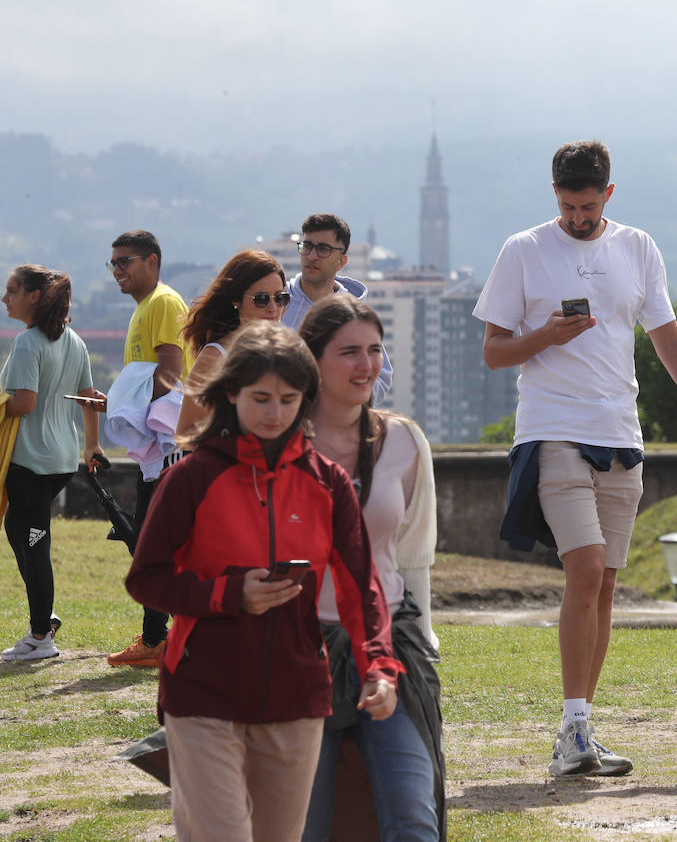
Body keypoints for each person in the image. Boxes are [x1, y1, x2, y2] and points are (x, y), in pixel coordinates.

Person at [474, 139, 677, 777]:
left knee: (607, 584)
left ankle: (581, 727)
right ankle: (572, 728)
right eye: (567, 206)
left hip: (621, 431)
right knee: (585, 569)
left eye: (588, 207)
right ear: (554, 195)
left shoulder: (637, 246)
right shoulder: (524, 250)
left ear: (608, 195)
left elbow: (664, 332)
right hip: (552, 428)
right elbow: (494, 352)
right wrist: (546, 336)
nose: (578, 217)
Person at [125, 321, 401, 842]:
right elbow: (147, 579)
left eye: (289, 399)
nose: (275, 413)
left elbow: (360, 589)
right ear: (231, 394)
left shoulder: (328, 482)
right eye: (261, 398)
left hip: (296, 697)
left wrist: (379, 667)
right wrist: (228, 595)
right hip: (202, 694)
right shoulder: (190, 477)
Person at [299, 295, 444, 841]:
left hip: (389, 647)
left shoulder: (403, 441)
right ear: (312, 360)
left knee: (413, 816)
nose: (366, 365)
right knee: (301, 825)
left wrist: (422, 641)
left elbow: (413, 556)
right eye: (349, 352)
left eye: (375, 350)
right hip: (298, 647)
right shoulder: (279, 442)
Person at [0, 265, 102, 662]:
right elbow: (90, 397)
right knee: (18, 528)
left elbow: (24, 403)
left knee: (34, 542)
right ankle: (45, 614)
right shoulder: (74, 340)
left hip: (32, 461)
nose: (5, 298)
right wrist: (91, 445)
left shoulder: (28, 342)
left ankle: (41, 636)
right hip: (61, 459)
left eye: (12, 290)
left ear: (35, 296)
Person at [107, 230, 193, 667]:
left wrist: (153, 432)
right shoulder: (146, 306)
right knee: (149, 542)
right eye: (114, 263)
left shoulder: (163, 301)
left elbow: (171, 370)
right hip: (157, 446)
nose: (118, 269)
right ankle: (160, 636)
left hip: (168, 445)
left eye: (126, 261)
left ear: (152, 262)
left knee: (154, 542)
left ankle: (173, 635)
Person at [176, 250, 289, 438]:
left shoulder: (285, 351)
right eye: (261, 299)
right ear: (236, 300)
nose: (273, 308)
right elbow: (185, 431)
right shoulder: (215, 357)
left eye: (280, 298)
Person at [280, 213, 392, 403]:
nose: (312, 256)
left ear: (341, 261)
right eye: (307, 246)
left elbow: (381, 380)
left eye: (323, 249)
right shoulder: (276, 302)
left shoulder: (355, 314)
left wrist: (339, 400)